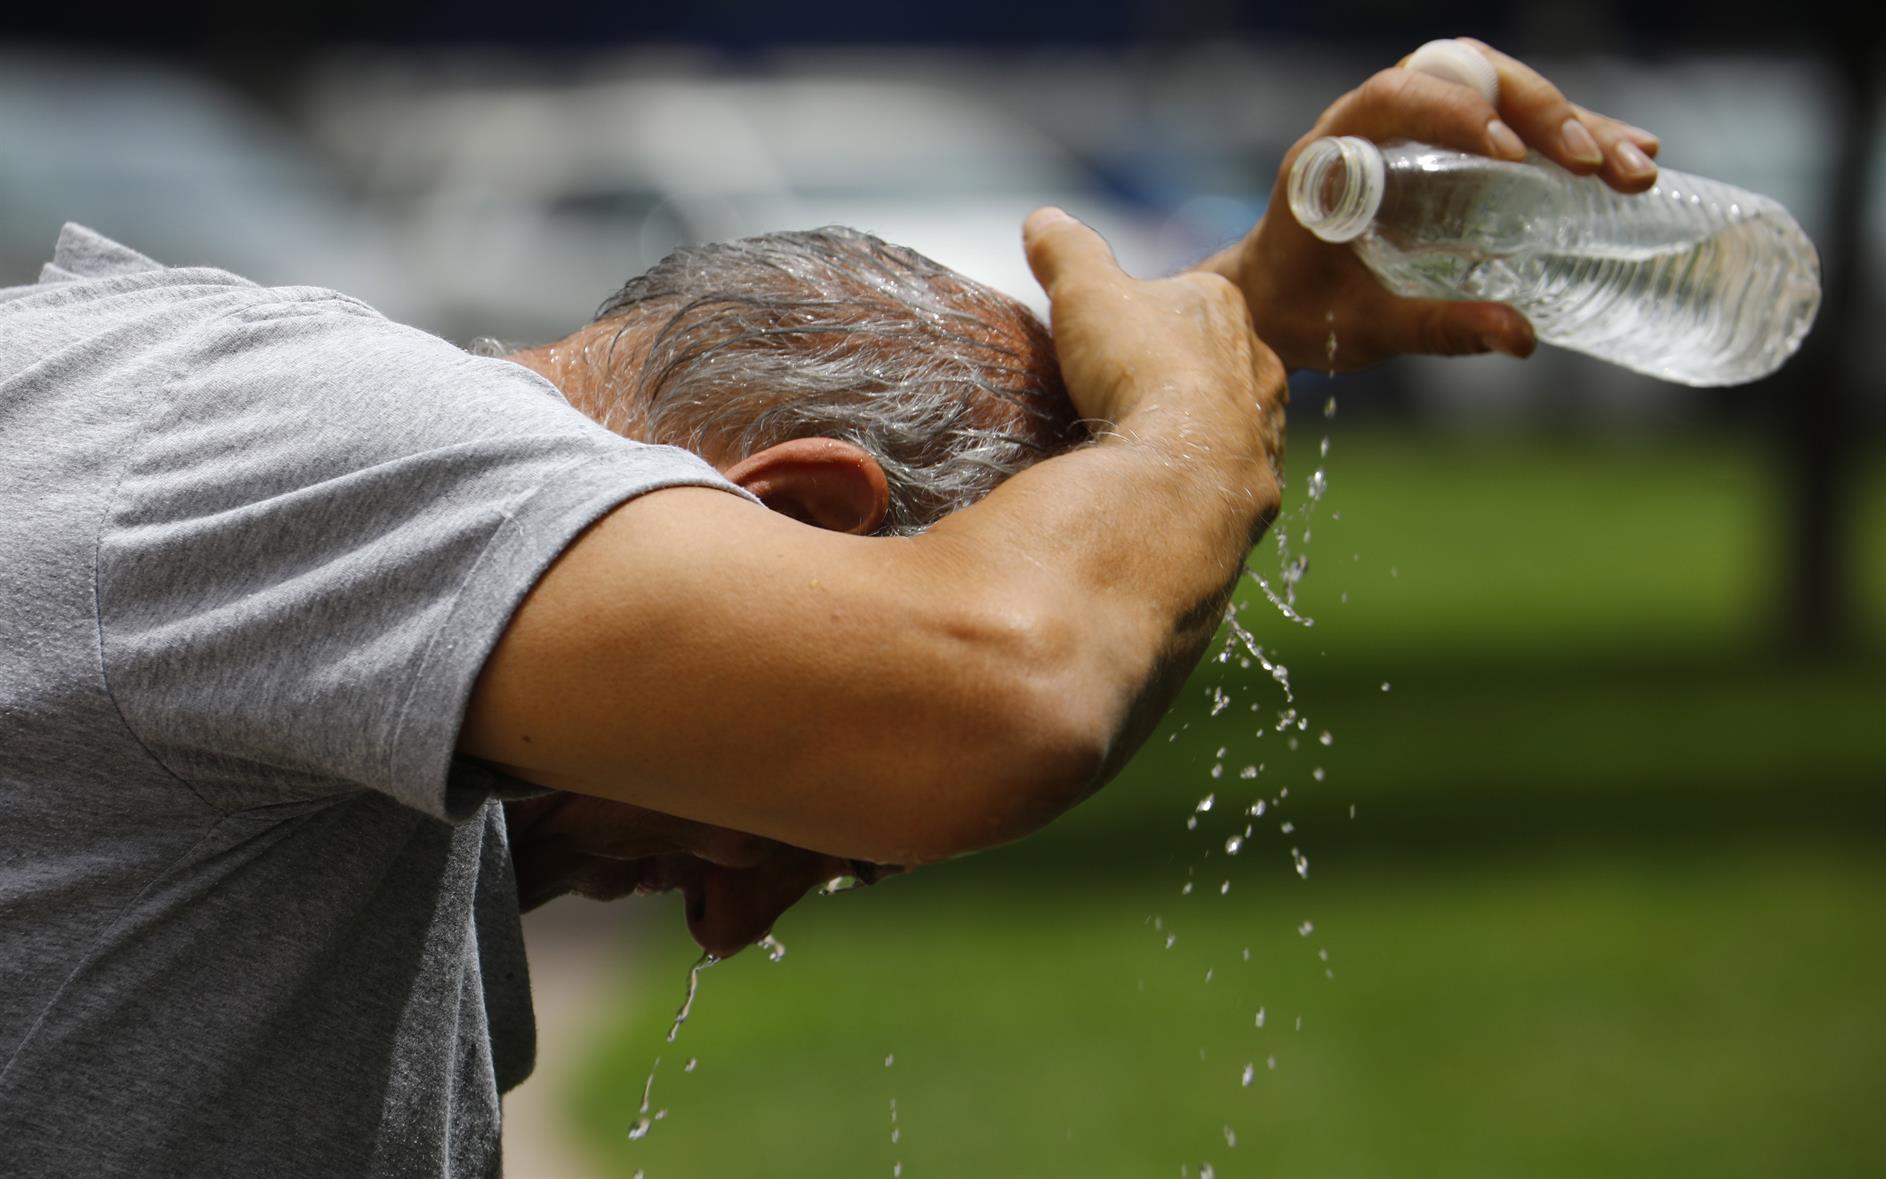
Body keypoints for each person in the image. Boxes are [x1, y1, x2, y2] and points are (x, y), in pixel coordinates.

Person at [0, 39, 1659, 1176]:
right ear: (797, 516)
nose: (733, 923)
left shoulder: (316, 575)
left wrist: (1234, 327)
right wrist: (1183, 425)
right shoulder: (331, 437)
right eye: (811, 826)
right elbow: (993, 699)